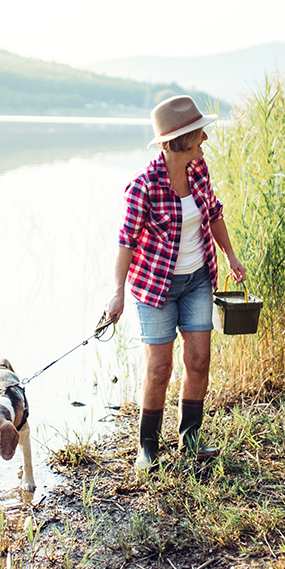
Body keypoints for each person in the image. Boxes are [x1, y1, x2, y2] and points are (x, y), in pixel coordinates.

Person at [105, 94, 247, 471]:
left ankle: (191, 437)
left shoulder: (199, 171)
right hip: (156, 288)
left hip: (198, 279)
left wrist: (230, 255)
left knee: (199, 359)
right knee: (159, 367)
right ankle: (147, 446)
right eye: (200, 133)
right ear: (181, 139)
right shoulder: (142, 187)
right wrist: (117, 293)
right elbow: (126, 242)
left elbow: (214, 214)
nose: (205, 140)